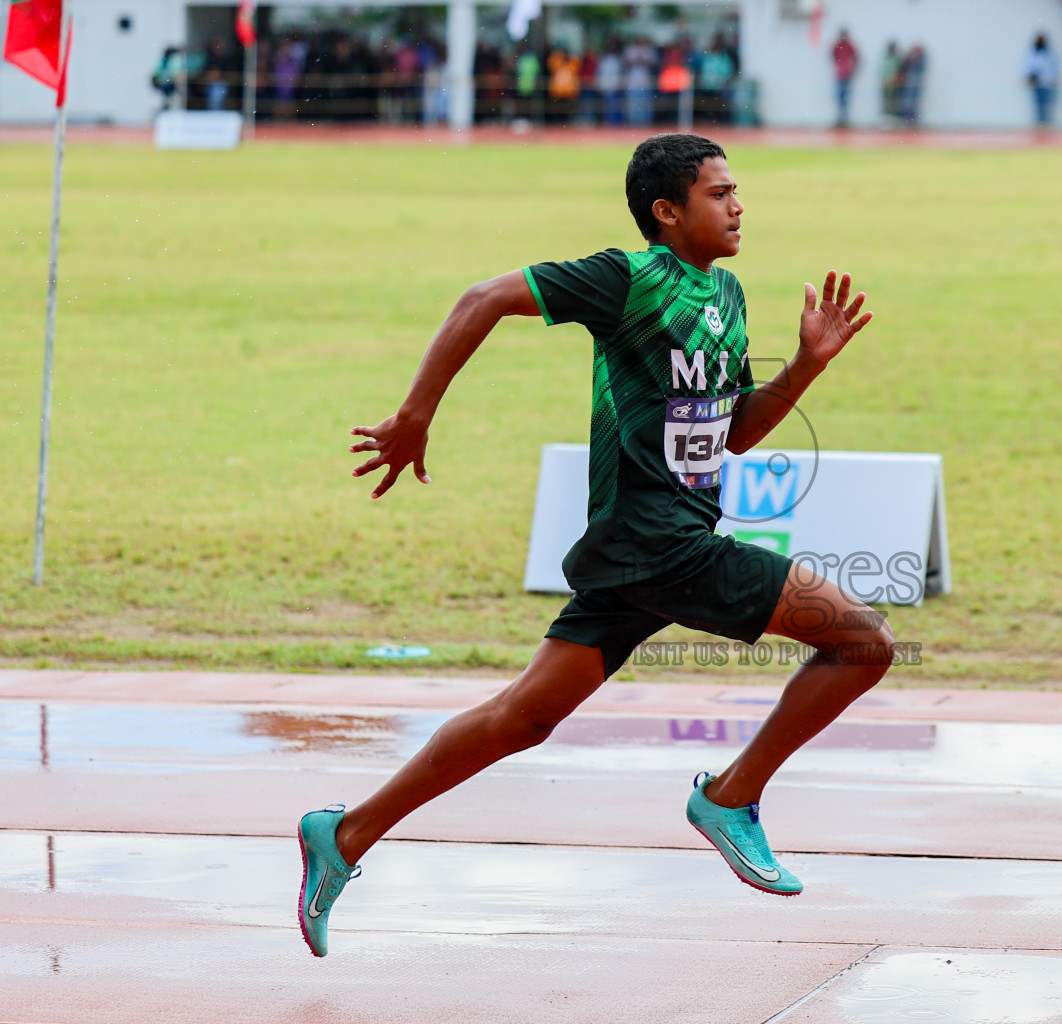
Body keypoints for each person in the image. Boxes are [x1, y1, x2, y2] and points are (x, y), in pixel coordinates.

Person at [296, 133, 892, 957]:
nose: (739, 205)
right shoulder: (627, 279)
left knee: (521, 717)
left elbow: (734, 436)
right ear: (667, 210)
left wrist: (806, 369)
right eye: (720, 194)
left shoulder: (726, 295)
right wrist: (416, 413)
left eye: (736, 191)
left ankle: (346, 832)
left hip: (651, 545)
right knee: (865, 641)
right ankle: (729, 797)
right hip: (657, 543)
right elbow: (481, 298)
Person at [1024, 33, 1059, 128]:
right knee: (1038, 104)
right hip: (1036, 83)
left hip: (1047, 82)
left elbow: (1054, 67)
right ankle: (1039, 123)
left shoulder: (1049, 53)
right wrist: (1029, 76)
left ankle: (1046, 123)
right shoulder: (1033, 52)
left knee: (1047, 104)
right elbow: (1027, 65)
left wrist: (1054, 78)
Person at [830, 28, 858, 128]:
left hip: (846, 74)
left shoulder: (847, 45)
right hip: (841, 74)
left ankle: (844, 119)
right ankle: (841, 119)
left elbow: (856, 57)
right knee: (840, 98)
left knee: (844, 98)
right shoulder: (840, 45)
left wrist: (851, 68)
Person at [596, 41, 624, 126]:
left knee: (613, 106)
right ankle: (609, 123)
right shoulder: (605, 61)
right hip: (607, 85)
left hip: (612, 86)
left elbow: (618, 73)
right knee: (608, 107)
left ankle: (613, 123)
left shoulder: (614, 61)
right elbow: (601, 74)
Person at [898, 43, 926, 126]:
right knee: (906, 102)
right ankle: (907, 119)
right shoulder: (910, 61)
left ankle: (911, 119)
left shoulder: (919, 61)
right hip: (908, 85)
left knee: (912, 102)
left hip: (913, 86)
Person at [879, 40, 902, 125]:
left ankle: (893, 117)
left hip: (893, 82)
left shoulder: (896, 58)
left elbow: (898, 69)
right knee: (886, 100)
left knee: (893, 100)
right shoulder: (887, 57)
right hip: (886, 81)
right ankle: (886, 117)